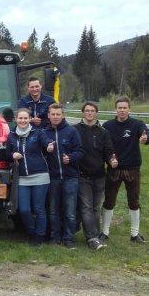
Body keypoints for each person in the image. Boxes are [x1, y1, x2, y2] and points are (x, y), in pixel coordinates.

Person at [100, 96, 149, 244]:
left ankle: (135, 234)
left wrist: (146, 139)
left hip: (132, 169)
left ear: (129, 109)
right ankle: (104, 232)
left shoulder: (137, 125)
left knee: (134, 201)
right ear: (115, 109)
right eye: (119, 108)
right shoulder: (107, 126)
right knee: (109, 201)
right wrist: (109, 159)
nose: (122, 110)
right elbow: (102, 146)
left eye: (125, 108)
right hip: (114, 169)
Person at [73, 101, 117, 250]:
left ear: (96, 113)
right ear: (83, 112)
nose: (89, 113)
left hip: (99, 176)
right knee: (86, 207)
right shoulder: (75, 130)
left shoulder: (103, 132)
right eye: (87, 110)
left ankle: (96, 234)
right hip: (82, 175)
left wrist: (112, 159)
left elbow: (109, 151)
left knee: (96, 208)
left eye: (92, 111)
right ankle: (91, 238)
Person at [6, 108, 50, 246]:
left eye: (25, 118)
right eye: (20, 118)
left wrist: (49, 145)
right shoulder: (11, 135)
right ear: (16, 119)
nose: (23, 121)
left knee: (38, 208)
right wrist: (12, 155)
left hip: (40, 175)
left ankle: (39, 236)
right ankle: (31, 232)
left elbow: (46, 142)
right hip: (22, 177)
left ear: (30, 119)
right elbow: (7, 154)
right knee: (23, 209)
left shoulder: (38, 132)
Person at [42, 103, 84, 248]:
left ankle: (69, 238)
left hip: (70, 177)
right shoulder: (44, 132)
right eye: (52, 114)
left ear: (63, 115)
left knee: (70, 210)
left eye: (58, 114)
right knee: (53, 210)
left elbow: (80, 151)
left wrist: (70, 158)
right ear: (48, 115)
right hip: (52, 178)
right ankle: (55, 237)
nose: (55, 117)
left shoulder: (71, 131)